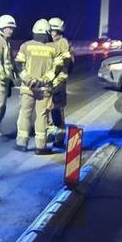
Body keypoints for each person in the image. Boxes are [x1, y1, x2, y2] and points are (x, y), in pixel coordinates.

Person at [14, 18, 58, 154]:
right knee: (42, 116)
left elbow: (18, 65)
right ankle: (40, 146)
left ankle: (21, 143)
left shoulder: (25, 46)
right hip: (44, 90)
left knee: (25, 114)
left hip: (28, 88)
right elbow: (55, 70)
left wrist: (29, 80)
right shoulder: (53, 49)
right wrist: (43, 80)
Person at [47, 16, 73, 148]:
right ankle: (53, 133)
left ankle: (60, 137)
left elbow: (66, 64)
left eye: (52, 31)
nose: (50, 33)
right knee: (49, 109)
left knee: (57, 110)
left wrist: (58, 79)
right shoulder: (51, 43)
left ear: (58, 31)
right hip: (50, 82)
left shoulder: (62, 43)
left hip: (58, 82)